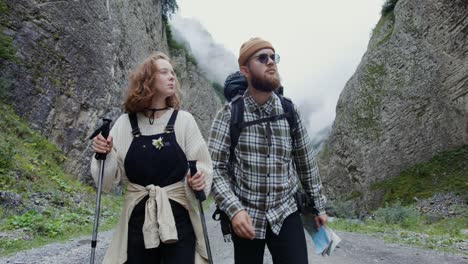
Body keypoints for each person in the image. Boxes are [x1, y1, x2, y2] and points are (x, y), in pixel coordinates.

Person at [209, 37, 328, 264]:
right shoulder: (228, 115)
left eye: (274, 57)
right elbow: (215, 168)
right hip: (246, 214)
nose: (271, 62)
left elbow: (306, 163)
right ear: (245, 70)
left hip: (286, 211)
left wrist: (318, 207)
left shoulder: (289, 111)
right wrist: (234, 210)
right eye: (262, 58)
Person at [90, 52, 212, 264]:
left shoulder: (184, 121)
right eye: (164, 72)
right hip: (137, 221)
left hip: (179, 220)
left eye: (173, 73)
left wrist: (198, 179)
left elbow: (202, 165)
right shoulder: (124, 124)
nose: (172, 77)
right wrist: (104, 153)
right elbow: (107, 182)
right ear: (148, 80)